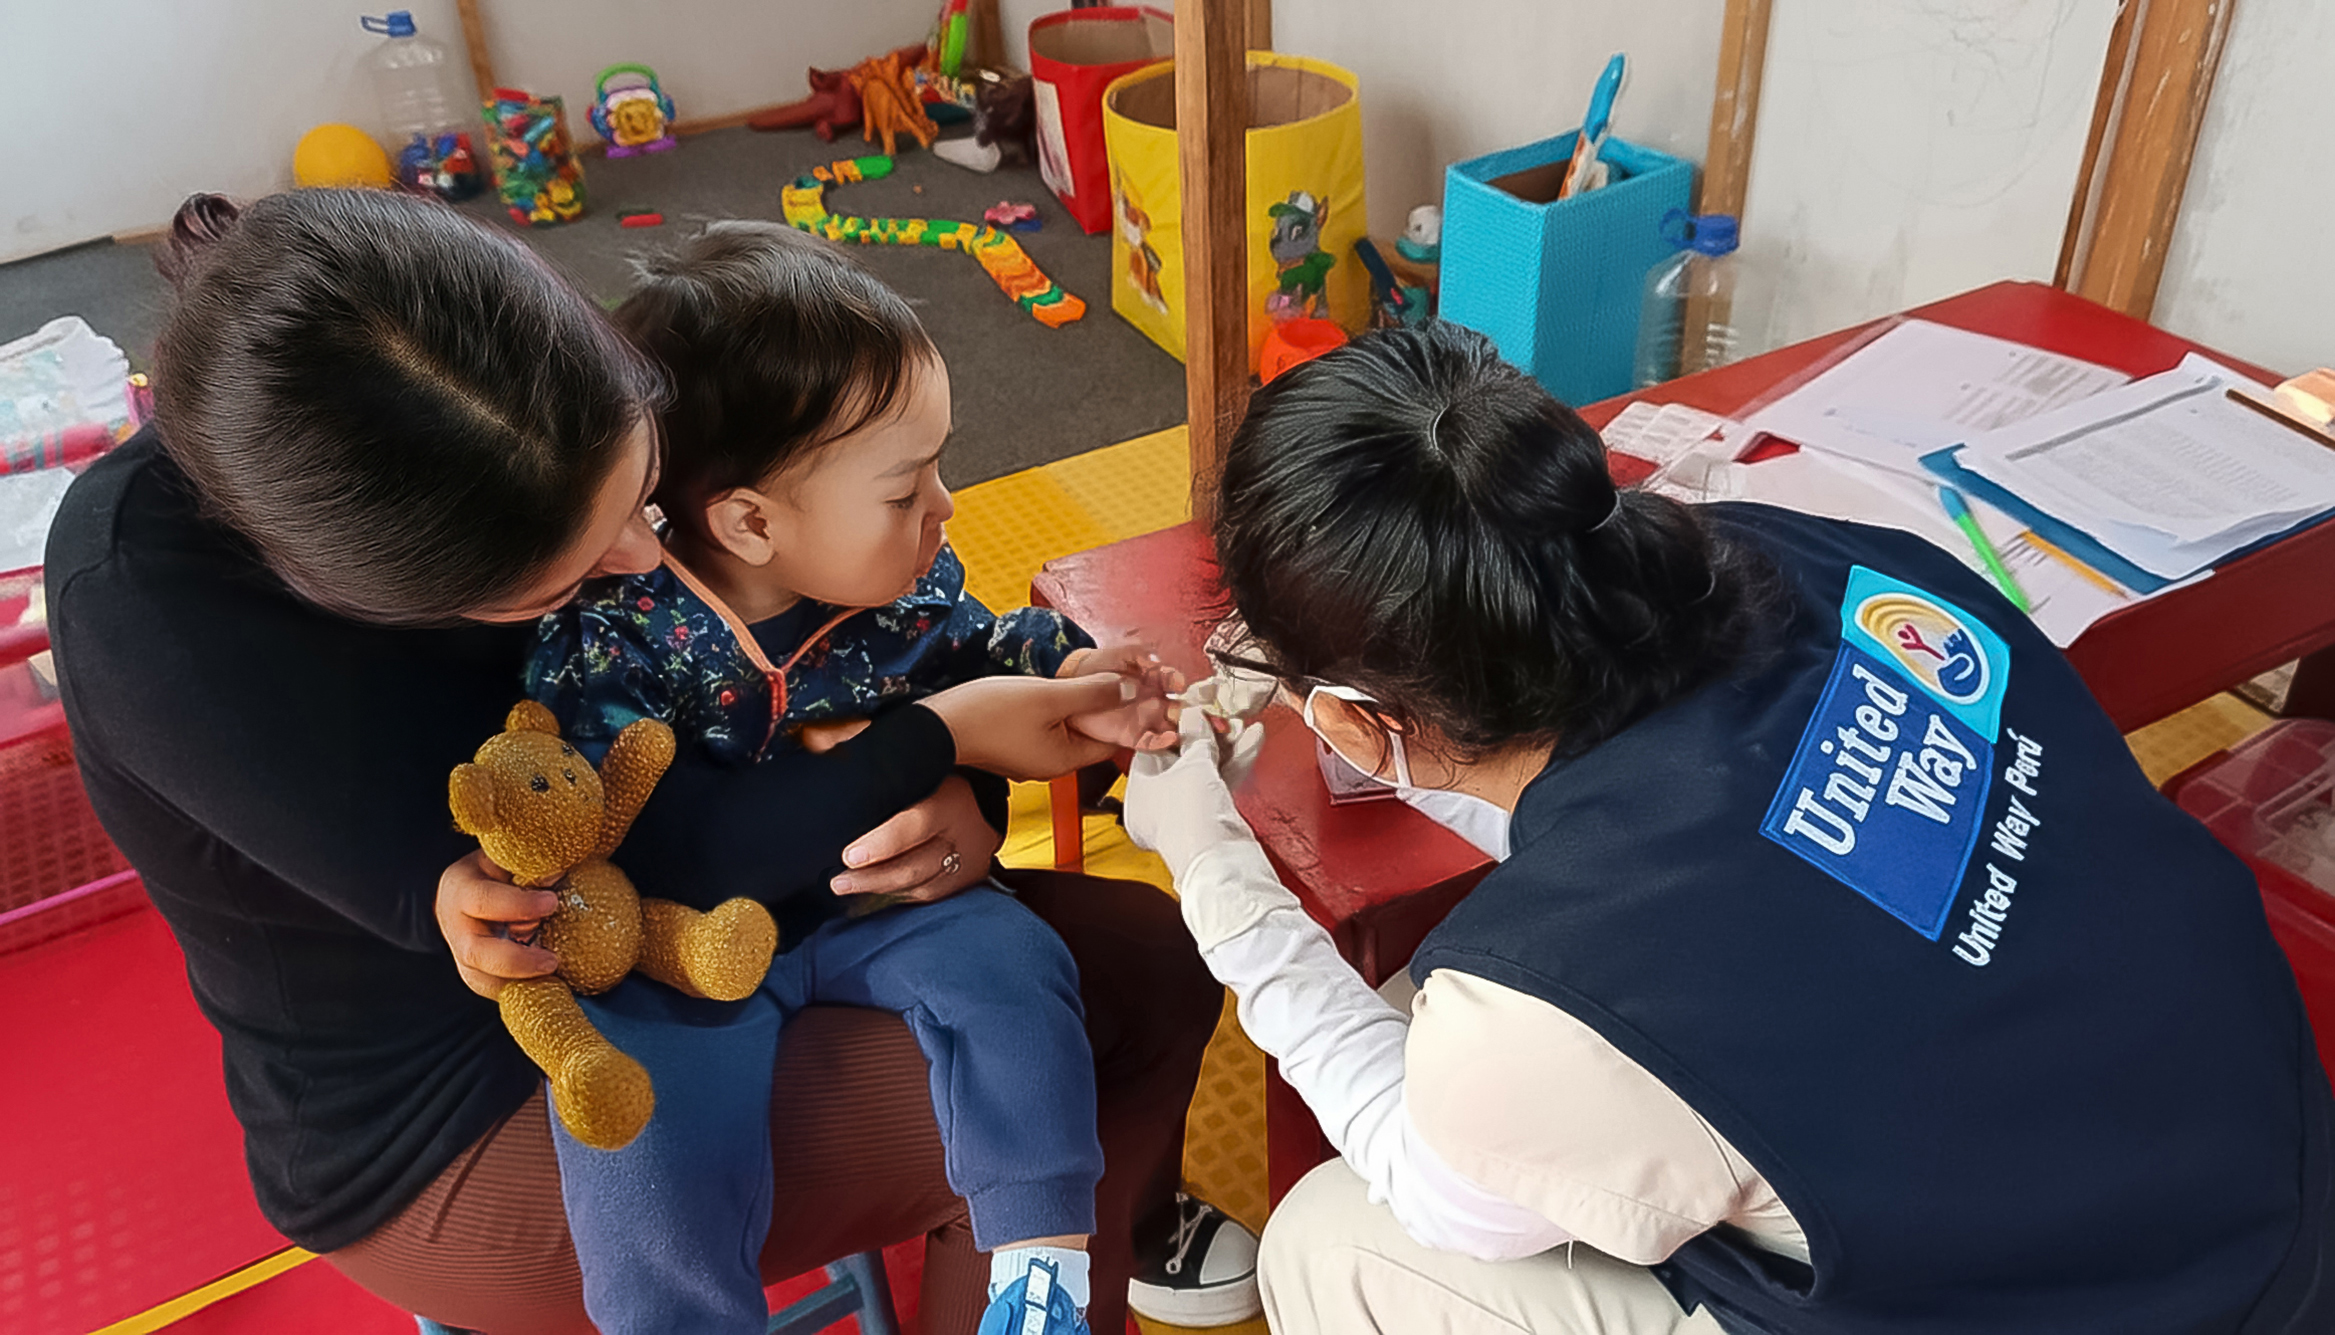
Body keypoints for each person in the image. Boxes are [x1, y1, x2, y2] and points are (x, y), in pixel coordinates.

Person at [44, 188, 1223, 1335]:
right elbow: (632, 874)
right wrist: (934, 745)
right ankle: (1079, 1237)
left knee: (1155, 957)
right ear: (393, 599)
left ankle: (1108, 1226)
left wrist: (958, 785)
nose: (644, 561)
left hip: (767, 893)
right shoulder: (164, 612)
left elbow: (881, 666)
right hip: (488, 1079)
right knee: (1052, 1086)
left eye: (647, 495)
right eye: (566, 574)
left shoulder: (481, 384)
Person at [1125, 322, 2335, 1334]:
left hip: (2156, 1310)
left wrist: (1213, 872)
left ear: (1352, 723)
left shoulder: (1546, 1016)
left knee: (1335, 1240)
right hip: (2258, 1157)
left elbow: (1443, 1194)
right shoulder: (1827, 557)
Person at [518, 221, 1185, 1335]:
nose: (946, 506)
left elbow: (980, 648)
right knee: (641, 1131)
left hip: (883, 912)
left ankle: (1038, 1272)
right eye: (903, 488)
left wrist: (1071, 673)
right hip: (682, 951)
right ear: (749, 521)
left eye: (938, 468)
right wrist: (949, 735)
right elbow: (684, 853)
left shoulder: (904, 585)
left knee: (1016, 970)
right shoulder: (617, 639)